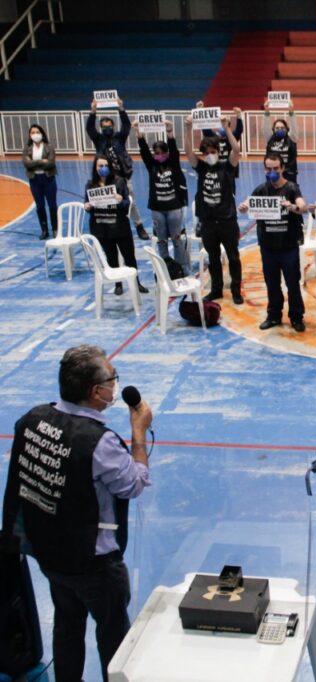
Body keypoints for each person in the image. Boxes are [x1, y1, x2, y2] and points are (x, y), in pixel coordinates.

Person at [1, 344, 153, 682]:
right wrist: (139, 432)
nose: (116, 385)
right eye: (112, 380)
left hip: (50, 553)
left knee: (67, 625)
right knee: (113, 636)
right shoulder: (99, 442)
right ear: (97, 392)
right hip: (94, 563)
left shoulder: (32, 420)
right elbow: (133, 484)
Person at [239, 153, 307, 332]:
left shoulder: (292, 188)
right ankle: (274, 315)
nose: (272, 172)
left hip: (288, 246)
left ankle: (296, 316)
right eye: (269, 169)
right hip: (268, 247)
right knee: (272, 283)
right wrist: (244, 206)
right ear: (264, 169)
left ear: (282, 168)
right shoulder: (261, 189)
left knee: (293, 283)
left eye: (276, 169)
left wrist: (294, 207)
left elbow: (303, 206)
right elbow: (248, 203)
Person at [184, 113, 244, 304]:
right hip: (208, 221)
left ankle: (236, 290)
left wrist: (227, 127)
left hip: (227, 220)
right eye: (206, 152)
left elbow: (237, 149)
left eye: (213, 151)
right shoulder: (201, 167)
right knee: (213, 258)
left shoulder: (227, 167)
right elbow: (188, 152)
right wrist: (188, 128)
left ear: (218, 151)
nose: (209, 155)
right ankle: (216, 289)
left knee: (233, 257)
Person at [83, 156, 149, 295]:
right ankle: (118, 284)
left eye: (105, 165)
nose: (103, 168)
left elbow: (127, 205)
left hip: (120, 227)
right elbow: (87, 205)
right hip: (101, 229)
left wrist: (120, 200)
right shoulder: (90, 185)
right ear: (95, 168)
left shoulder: (119, 182)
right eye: (100, 166)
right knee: (111, 257)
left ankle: (136, 283)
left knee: (129, 256)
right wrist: (87, 206)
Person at [85, 98, 148, 240]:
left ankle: (139, 226)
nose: (107, 129)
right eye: (104, 127)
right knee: (107, 203)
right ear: (101, 128)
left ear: (113, 126)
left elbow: (126, 125)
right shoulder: (98, 139)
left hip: (123, 176)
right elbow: (89, 128)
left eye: (109, 126)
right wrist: (93, 111)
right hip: (105, 177)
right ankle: (109, 227)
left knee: (131, 202)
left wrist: (121, 108)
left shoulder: (119, 137)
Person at [135, 119, 189, 273]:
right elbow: (144, 152)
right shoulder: (151, 165)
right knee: (162, 241)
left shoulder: (173, 163)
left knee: (177, 240)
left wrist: (170, 132)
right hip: (157, 209)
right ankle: (166, 267)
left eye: (162, 153)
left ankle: (182, 268)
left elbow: (174, 149)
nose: (159, 155)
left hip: (174, 208)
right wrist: (139, 134)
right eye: (156, 153)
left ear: (167, 153)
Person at [22, 123, 58, 240]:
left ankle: (55, 229)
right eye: (32, 133)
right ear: (29, 135)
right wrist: (42, 161)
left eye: (37, 132)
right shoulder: (27, 149)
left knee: (52, 205)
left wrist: (34, 162)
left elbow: (51, 163)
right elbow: (26, 164)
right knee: (40, 206)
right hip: (35, 180)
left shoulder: (49, 147)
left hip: (48, 179)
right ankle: (44, 230)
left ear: (42, 134)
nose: (35, 135)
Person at [196, 101, 243, 178]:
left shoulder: (231, 138)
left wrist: (238, 116)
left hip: (229, 168)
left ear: (229, 126)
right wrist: (200, 110)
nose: (223, 125)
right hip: (216, 168)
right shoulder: (214, 138)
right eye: (222, 123)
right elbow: (205, 129)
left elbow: (239, 130)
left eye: (226, 123)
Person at [261, 101, 298, 182]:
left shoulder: (292, 138)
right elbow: (265, 128)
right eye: (277, 128)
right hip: (272, 172)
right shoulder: (270, 137)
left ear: (286, 129)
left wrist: (291, 112)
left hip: (288, 173)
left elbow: (294, 127)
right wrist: (266, 112)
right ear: (273, 129)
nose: (280, 129)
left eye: (282, 127)